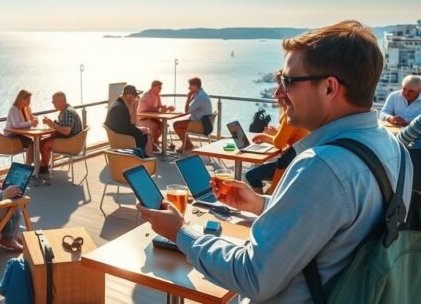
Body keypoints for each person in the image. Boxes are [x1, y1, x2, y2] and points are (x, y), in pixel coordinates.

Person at [138, 20, 414, 303]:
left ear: (330, 88)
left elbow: (252, 276)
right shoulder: (396, 150)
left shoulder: (323, 167)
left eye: (288, 81)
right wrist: (263, 204)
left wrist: (180, 233)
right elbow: (338, 229)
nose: (278, 93)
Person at [245, 70, 309, 193]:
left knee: (251, 175)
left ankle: (263, 200)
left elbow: (279, 143)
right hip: (293, 161)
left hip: (288, 164)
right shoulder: (301, 112)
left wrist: (265, 136)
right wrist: (273, 134)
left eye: (282, 86)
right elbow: (289, 140)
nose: (275, 93)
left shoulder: (290, 116)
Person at [39, 91, 83, 182]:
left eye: (54, 101)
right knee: (43, 142)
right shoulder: (67, 110)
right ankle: (43, 166)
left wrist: (53, 125)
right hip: (74, 141)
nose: (53, 104)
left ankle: (43, 167)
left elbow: (66, 131)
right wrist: (53, 124)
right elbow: (65, 128)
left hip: (71, 143)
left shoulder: (67, 112)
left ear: (61, 101)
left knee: (43, 144)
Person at [106, 84, 154, 156]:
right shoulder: (120, 108)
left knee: (146, 131)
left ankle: (147, 157)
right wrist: (135, 107)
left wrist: (138, 129)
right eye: (135, 96)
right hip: (122, 136)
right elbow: (133, 123)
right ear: (128, 96)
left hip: (118, 132)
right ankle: (147, 158)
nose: (136, 98)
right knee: (146, 135)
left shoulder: (119, 103)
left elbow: (128, 124)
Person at [172, 77, 213, 153]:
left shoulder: (199, 97)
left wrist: (188, 97)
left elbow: (187, 110)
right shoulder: (200, 94)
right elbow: (190, 108)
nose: (188, 88)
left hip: (200, 125)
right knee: (180, 123)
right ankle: (188, 144)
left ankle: (188, 145)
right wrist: (192, 97)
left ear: (195, 86)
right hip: (203, 122)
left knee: (176, 125)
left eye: (190, 86)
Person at [137, 80, 175, 149]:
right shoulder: (147, 95)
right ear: (153, 87)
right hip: (142, 118)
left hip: (152, 117)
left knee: (164, 126)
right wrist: (163, 110)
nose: (160, 90)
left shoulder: (157, 95)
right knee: (154, 126)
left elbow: (159, 106)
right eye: (159, 88)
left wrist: (168, 107)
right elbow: (150, 108)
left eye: (161, 88)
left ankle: (155, 140)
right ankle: (151, 143)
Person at [4, 89, 38, 165]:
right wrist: (30, 123)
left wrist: (34, 120)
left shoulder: (25, 108)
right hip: (11, 135)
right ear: (21, 99)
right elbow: (16, 125)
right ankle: (28, 167)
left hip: (20, 133)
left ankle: (36, 166)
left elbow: (30, 119)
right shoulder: (14, 109)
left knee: (37, 141)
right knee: (31, 143)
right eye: (28, 100)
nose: (29, 102)